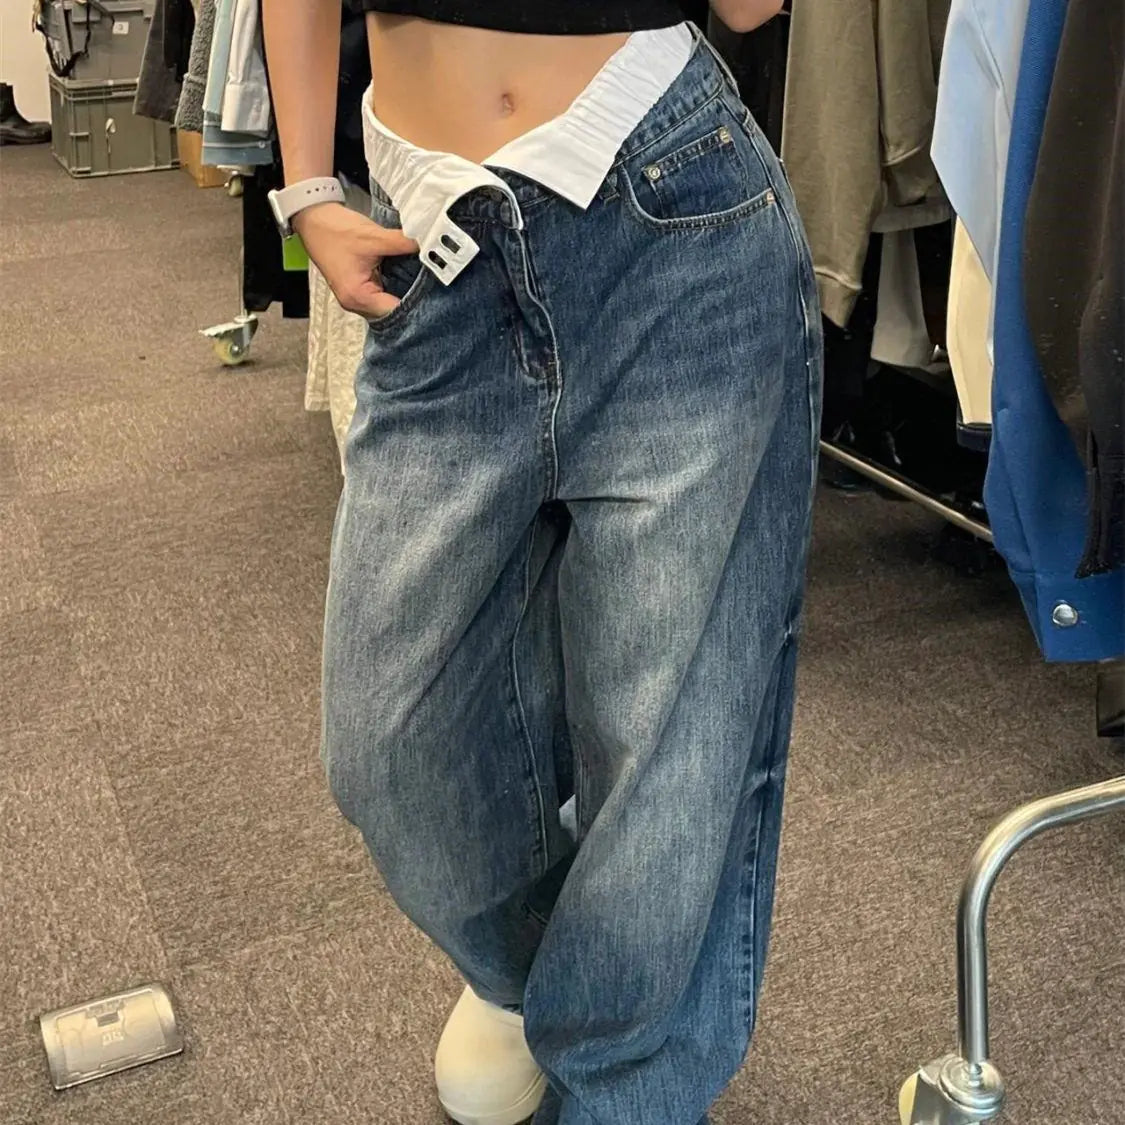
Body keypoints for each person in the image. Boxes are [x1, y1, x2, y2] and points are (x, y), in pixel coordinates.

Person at [261, 3, 822, 1123]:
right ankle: (552, 978)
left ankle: (624, 1084)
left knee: (668, 743)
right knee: (389, 748)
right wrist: (307, 189)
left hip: (672, 207)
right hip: (435, 248)